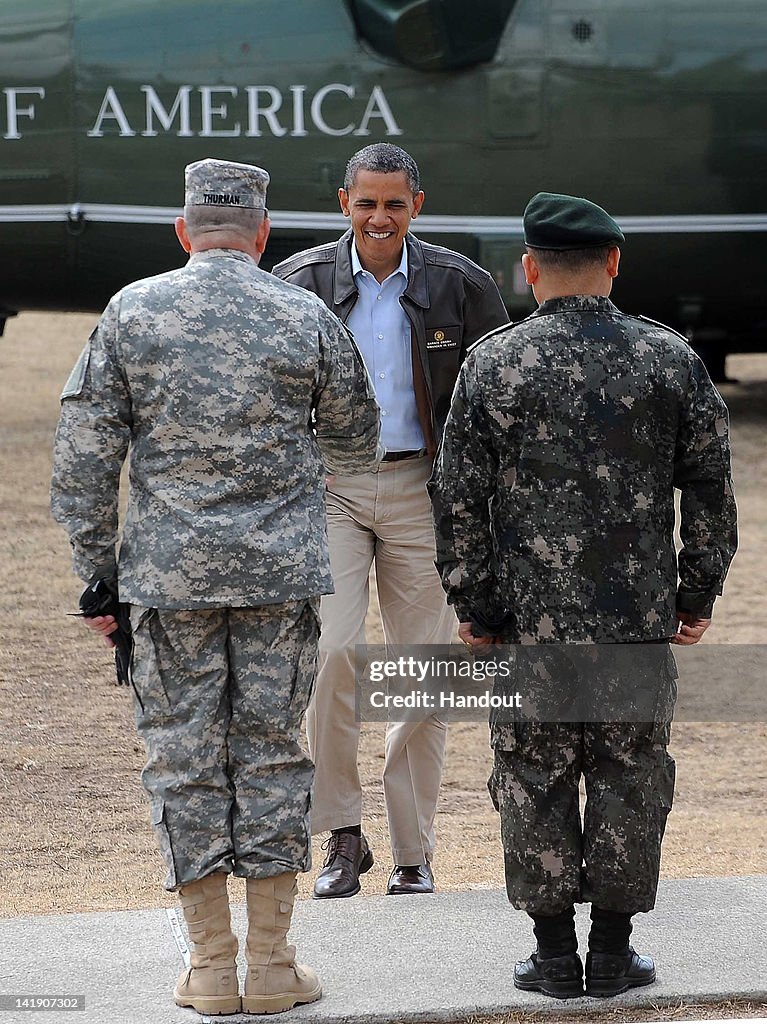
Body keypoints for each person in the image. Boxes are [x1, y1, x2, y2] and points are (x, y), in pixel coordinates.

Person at [51, 158, 381, 1016]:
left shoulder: (133, 311)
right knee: (273, 752)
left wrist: (100, 578)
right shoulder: (302, 310)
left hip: (167, 582)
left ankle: (209, 968)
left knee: (185, 758)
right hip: (279, 579)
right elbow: (355, 436)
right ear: (263, 234)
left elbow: (84, 459)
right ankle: (272, 967)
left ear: (183, 230)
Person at [429, 192, 737, 998]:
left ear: (528, 269)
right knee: (630, 775)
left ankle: (552, 952)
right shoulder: (668, 358)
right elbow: (708, 486)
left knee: (531, 774)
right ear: (613, 263)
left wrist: (475, 604)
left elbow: (456, 495)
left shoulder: (492, 362)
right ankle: (611, 950)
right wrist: (696, 593)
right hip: (634, 623)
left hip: (527, 628)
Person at [272, 143, 508, 898]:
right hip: (333, 489)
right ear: (343, 202)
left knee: (423, 672)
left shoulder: (460, 285)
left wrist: (482, 507)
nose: (379, 217)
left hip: (423, 491)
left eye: (394, 204)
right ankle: (341, 836)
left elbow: (497, 401)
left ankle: (413, 851)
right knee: (333, 658)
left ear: (417, 206)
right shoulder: (298, 283)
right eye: (366, 202)